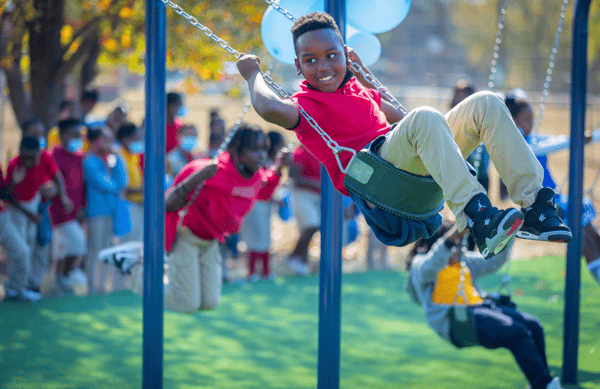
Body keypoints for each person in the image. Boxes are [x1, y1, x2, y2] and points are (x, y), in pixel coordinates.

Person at [236, 12, 571, 260]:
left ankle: (537, 207)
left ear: (345, 54)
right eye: (310, 60)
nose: (322, 66)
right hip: (381, 180)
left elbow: (402, 117)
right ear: (298, 66)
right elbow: (267, 108)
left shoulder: (362, 90)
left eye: (331, 56)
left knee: (485, 103)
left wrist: (366, 78)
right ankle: (478, 215)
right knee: (425, 116)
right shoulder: (304, 106)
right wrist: (253, 75)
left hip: (410, 168)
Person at [100, 124, 286, 313]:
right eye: (254, 150)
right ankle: (135, 266)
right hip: (186, 237)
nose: (261, 155)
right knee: (187, 303)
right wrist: (197, 179)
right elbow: (167, 204)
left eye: (264, 149)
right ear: (236, 152)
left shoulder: (255, 176)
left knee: (210, 302)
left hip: (212, 241)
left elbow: (264, 191)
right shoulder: (208, 171)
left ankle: (165, 269)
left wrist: (279, 169)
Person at [405, 221, 563, 389]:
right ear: (435, 243)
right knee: (517, 332)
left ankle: (543, 382)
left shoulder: (464, 259)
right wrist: (450, 240)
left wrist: (507, 236)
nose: (458, 250)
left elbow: (492, 262)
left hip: (480, 307)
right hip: (457, 320)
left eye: (459, 245)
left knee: (534, 325)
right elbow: (432, 263)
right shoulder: (420, 264)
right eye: (454, 245)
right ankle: (543, 385)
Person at [504, 91, 600, 285]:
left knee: (594, 236)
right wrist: (577, 140)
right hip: (542, 205)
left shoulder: (532, 139)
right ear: (512, 121)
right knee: (585, 242)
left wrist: (590, 136)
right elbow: (548, 146)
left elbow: (556, 139)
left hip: (557, 198)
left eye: (532, 119)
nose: (531, 124)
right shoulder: (513, 145)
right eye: (526, 120)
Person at [83, 127, 128, 293]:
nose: (110, 143)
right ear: (97, 141)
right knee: (95, 249)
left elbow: (123, 181)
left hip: (111, 212)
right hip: (97, 213)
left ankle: (103, 286)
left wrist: (118, 157)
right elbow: (108, 185)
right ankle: (92, 288)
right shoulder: (90, 161)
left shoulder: (110, 160)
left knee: (107, 249)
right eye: (106, 139)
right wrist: (116, 184)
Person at [239, 130, 287, 281]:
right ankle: (253, 272)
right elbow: (262, 185)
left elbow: (270, 185)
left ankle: (265, 271)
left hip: (264, 203)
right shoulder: (261, 163)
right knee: (255, 238)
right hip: (256, 203)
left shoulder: (269, 163)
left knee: (265, 238)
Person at [0, 139, 45, 301]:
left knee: (23, 252)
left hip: (3, 217)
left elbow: (3, 193)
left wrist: (13, 182)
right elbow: (9, 197)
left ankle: (15, 289)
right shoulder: (14, 165)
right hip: (15, 213)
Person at [48, 119, 88, 294]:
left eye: (80, 135)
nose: (79, 139)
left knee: (63, 249)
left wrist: (82, 206)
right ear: (63, 136)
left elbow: (80, 184)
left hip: (75, 212)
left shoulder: (78, 156)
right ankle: (63, 276)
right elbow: (54, 183)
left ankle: (56, 283)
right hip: (58, 212)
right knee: (78, 243)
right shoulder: (53, 155)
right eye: (75, 135)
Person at [287, 144, 321, 275]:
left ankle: (302, 261)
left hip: (318, 195)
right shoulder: (301, 152)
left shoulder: (322, 150)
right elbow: (293, 176)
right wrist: (316, 183)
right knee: (311, 225)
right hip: (302, 194)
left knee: (310, 228)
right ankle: (293, 256)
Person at [116, 122, 145, 243]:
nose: (140, 140)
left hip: (138, 204)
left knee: (138, 241)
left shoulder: (134, 155)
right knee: (128, 242)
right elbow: (120, 186)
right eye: (136, 137)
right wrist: (143, 189)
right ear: (125, 139)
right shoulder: (119, 156)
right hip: (127, 205)